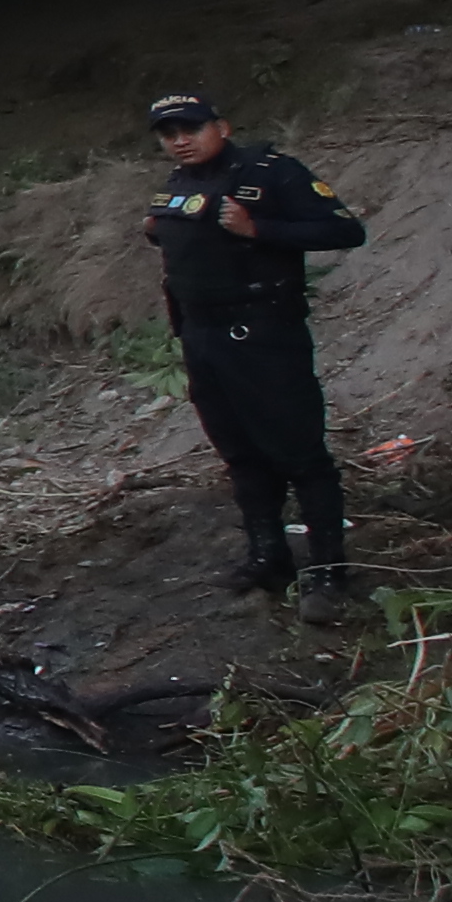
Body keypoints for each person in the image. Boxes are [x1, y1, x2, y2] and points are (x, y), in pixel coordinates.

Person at [142, 87, 369, 599]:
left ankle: (329, 570)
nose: (180, 142)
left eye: (191, 129)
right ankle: (268, 554)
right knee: (239, 451)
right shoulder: (180, 182)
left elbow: (344, 231)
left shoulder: (271, 172)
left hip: (263, 330)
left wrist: (258, 228)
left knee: (298, 451)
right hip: (200, 333)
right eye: (169, 134)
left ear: (221, 128)